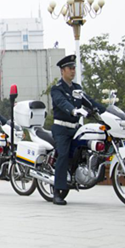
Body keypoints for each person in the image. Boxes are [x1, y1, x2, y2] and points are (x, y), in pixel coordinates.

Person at [50, 54, 106, 205]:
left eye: (74, 68)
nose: (73, 71)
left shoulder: (77, 88)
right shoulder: (56, 89)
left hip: (75, 129)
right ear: (62, 71)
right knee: (63, 155)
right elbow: (62, 102)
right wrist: (74, 110)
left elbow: (90, 102)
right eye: (70, 68)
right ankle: (57, 191)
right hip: (61, 128)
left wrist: (106, 112)